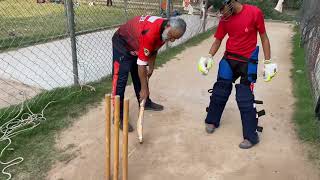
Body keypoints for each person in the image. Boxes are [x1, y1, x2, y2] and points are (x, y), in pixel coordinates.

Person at [198, 0, 277, 149]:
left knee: (245, 97)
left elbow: (264, 37)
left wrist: (268, 62)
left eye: (222, 8)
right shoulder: (225, 19)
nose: (221, 13)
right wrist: (209, 56)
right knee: (220, 91)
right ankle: (212, 120)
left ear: (231, 2)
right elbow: (218, 40)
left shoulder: (255, 13)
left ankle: (251, 136)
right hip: (229, 58)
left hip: (248, 61)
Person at [112, 15, 187, 132]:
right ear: (168, 26)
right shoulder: (151, 32)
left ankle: (145, 103)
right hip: (122, 43)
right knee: (121, 79)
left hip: (137, 43)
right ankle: (117, 116)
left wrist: (151, 66)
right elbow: (141, 64)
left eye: (175, 39)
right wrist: (144, 89)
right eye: (171, 37)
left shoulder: (165, 32)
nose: (171, 40)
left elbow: (154, 49)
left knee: (138, 74)